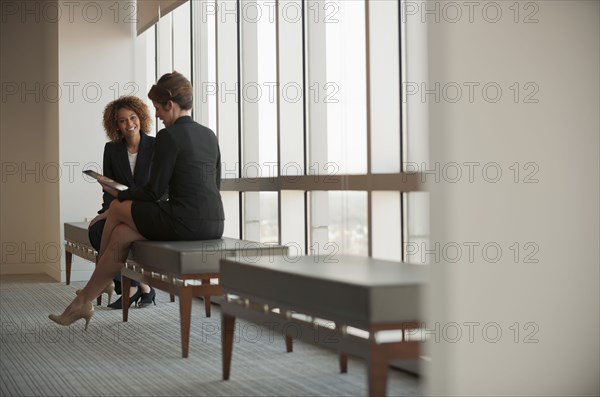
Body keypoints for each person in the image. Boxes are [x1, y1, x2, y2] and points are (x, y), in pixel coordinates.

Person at [50, 72, 225, 329]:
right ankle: (83, 302)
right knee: (121, 234)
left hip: (184, 222)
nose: (156, 116)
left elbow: (154, 191)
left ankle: (103, 280)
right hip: (215, 222)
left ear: (170, 104)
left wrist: (120, 195)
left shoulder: (169, 136)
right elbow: (215, 184)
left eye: (157, 108)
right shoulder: (209, 134)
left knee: (118, 209)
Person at [87, 96, 158, 309]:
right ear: (115, 125)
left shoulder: (157, 146)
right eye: (122, 121)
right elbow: (109, 189)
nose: (129, 124)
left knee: (119, 231)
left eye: (133, 118)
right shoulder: (111, 149)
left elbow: (160, 189)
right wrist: (108, 211)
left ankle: (132, 288)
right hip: (118, 208)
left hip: (146, 209)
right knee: (97, 230)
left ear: (141, 118)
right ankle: (140, 286)